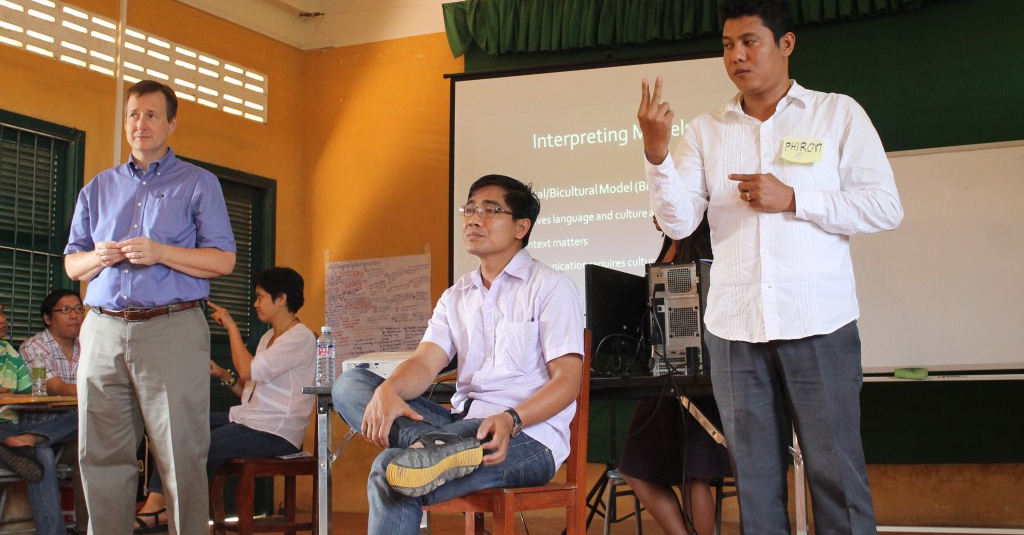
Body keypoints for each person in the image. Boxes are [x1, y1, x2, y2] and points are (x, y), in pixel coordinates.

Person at [636, 0, 903, 534]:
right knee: (754, 481)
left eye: (750, 42)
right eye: (728, 44)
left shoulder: (836, 115)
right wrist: (657, 154)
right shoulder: (706, 131)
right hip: (735, 326)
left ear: (786, 43)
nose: (737, 55)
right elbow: (680, 223)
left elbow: (884, 207)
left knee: (836, 474)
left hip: (819, 321)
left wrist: (796, 199)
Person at [332, 174, 585, 535]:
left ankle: (431, 450)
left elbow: (568, 381)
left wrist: (512, 418)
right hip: (459, 425)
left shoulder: (551, 287)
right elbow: (424, 362)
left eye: (490, 210)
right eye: (469, 209)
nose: (473, 219)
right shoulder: (457, 295)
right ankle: (431, 447)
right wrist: (389, 391)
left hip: (524, 438)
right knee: (349, 384)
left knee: (394, 469)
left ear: (521, 226)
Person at [64, 79, 237, 534]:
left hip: (171, 328)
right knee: (99, 455)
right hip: (101, 330)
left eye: (152, 115)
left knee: (181, 454)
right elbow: (72, 266)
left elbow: (223, 259)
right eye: (133, 115)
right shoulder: (97, 188)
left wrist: (162, 252)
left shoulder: (200, 183)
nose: (140, 124)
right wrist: (97, 258)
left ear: (172, 123)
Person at [134, 266, 316, 530]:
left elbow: (248, 370)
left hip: (275, 432)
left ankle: (163, 512)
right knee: (177, 425)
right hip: (252, 421)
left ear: (282, 298)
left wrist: (231, 326)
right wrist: (222, 374)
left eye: (260, 296)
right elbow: (250, 393)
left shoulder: (300, 337)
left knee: (195, 445)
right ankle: (157, 504)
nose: (255, 304)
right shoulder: (268, 337)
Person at [618, 214, 731, 535]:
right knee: (634, 469)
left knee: (694, 473)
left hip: (700, 379)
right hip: (662, 380)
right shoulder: (669, 246)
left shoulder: (711, 247)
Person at [0, 296, 79, 535]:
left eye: (3, 312)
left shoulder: (8, 351)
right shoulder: (33, 347)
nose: (4, 320)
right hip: (6, 428)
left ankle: (34, 437)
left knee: (88, 414)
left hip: (14, 427)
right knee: (42, 453)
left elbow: (32, 394)